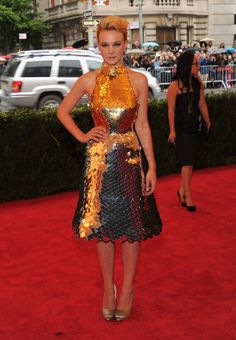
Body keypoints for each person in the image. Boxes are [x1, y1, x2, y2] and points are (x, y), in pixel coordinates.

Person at [57, 16, 162, 321]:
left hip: (130, 161)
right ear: (98, 45)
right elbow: (63, 111)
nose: (111, 50)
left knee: (132, 230)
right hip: (100, 163)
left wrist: (152, 166)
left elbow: (142, 125)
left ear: (126, 44)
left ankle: (127, 288)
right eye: (105, 45)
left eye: (117, 44)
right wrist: (82, 135)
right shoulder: (89, 80)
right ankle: (108, 289)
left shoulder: (139, 80)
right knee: (102, 230)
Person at [167, 51, 211, 211]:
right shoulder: (174, 86)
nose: (199, 67)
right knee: (187, 163)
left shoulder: (198, 83)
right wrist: (172, 131)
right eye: (196, 64)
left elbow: (202, 105)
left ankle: (181, 190)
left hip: (194, 127)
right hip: (181, 130)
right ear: (187, 66)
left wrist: (208, 121)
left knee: (190, 163)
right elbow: (171, 110)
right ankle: (187, 195)